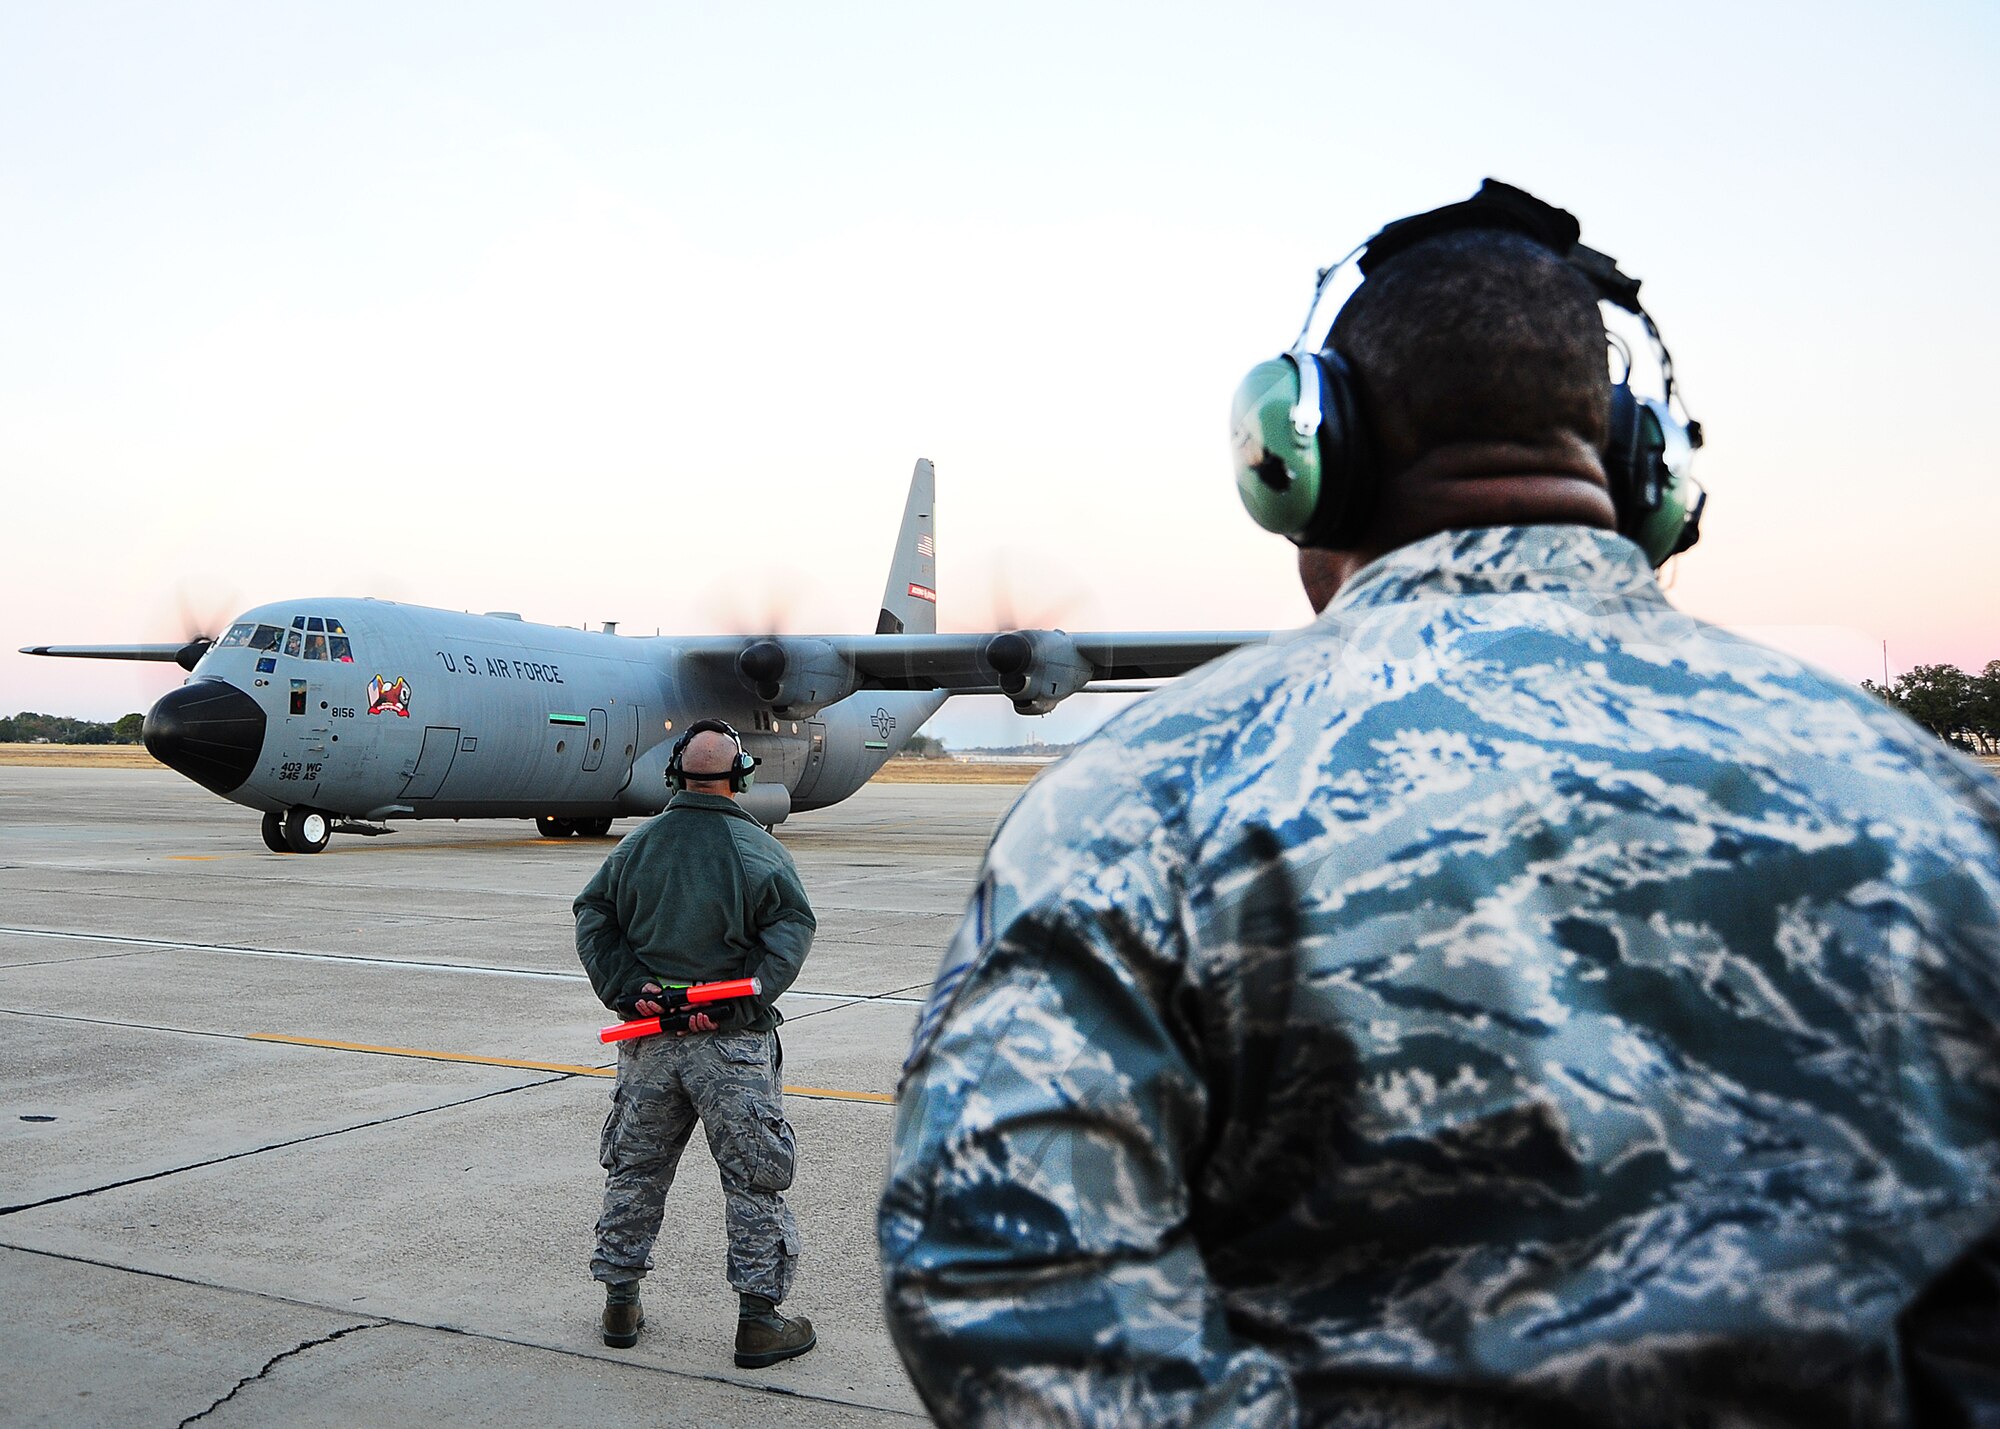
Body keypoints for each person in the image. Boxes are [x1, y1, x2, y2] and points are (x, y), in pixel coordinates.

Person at [878, 182, 2000, 1425]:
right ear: (1647, 474)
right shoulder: (1935, 807)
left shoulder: (1146, 794)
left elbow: (1000, 1264)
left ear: (1307, 468)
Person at [576, 718, 818, 1368]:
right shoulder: (758, 851)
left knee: (636, 1170)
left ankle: (620, 1303)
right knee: (753, 1180)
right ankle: (758, 1321)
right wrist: (747, 993)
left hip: (649, 1040)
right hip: (730, 1047)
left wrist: (628, 985)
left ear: (675, 774)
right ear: (740, 777)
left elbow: (593, 913)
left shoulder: (637, 846)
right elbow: (793, 924)